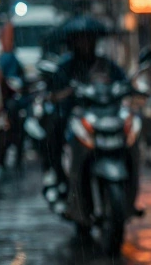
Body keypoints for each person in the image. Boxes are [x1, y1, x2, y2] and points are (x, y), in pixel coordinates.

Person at [40, 17, 127, 209]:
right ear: (73, 43)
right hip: (73, 117)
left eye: (89, 39)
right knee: (54, 128)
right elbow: (53, 94)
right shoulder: (65, 66)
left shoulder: (107, 65)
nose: (86, 43)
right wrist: (68, 92)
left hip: (104, 116)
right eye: (81, 39)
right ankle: (58, 175)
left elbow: (124, 82)